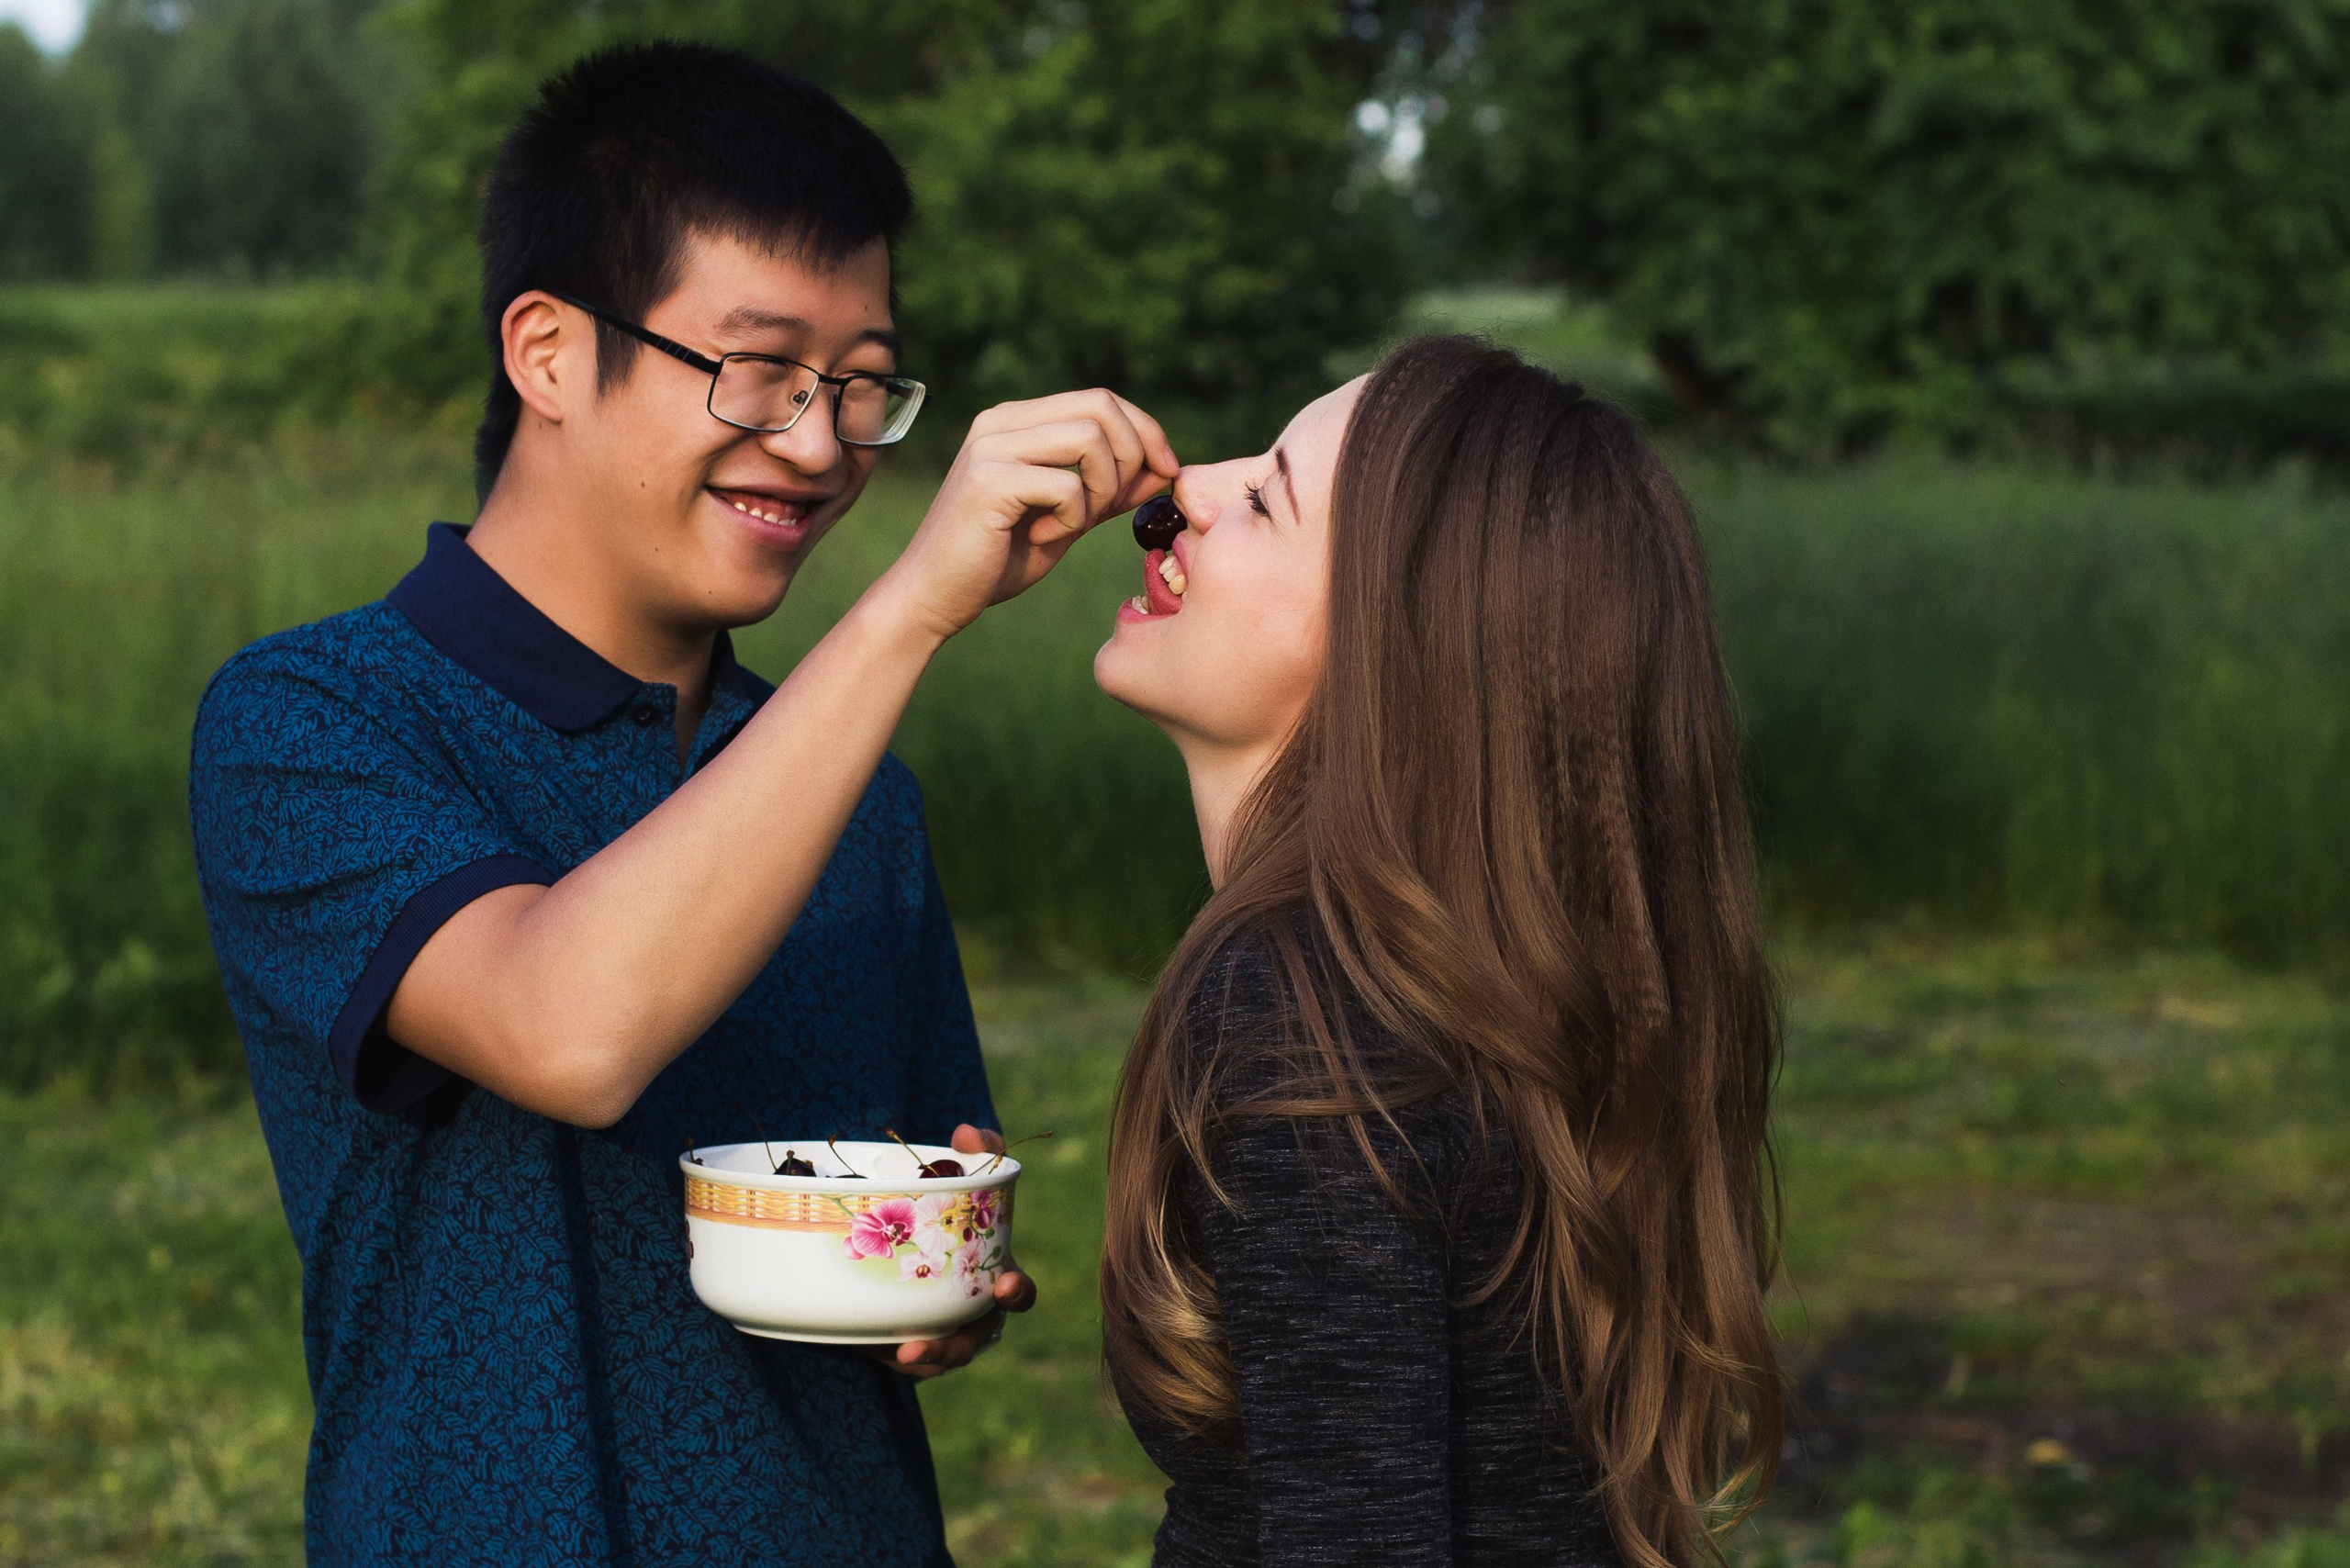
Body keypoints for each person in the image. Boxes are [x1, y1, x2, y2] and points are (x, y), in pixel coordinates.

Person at [188, 42, 1174, 1568]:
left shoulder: (859, 796)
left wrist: (943, 1279)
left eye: (859, 388)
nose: (818, 445)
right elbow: (566, 1030)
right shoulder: (314, 721)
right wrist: (911, 609)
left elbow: (913, 1175)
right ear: (548, 353)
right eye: (761, 372)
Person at [1092, 336, 1784, 1566]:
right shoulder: (1469, 983)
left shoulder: (1297, 1014)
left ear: (1387, 646)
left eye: (1264, 499)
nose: (1184, 487)